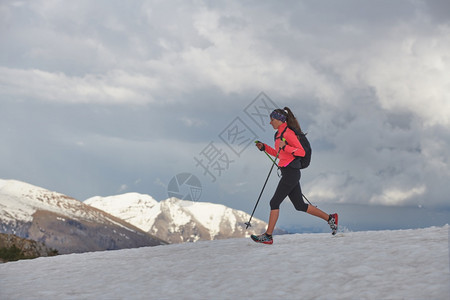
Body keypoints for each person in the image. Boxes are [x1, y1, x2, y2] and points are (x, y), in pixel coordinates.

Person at [251, 107, 338, 244]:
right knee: (299, 205)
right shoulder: (278, 134)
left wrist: (285, 146)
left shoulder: (288, 133)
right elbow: (279, 153)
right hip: (289, 172)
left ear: (279, 120)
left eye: (272, 120)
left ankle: (268, 236)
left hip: (291, 173)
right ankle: (330, 218)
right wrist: (265, 148)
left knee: (274, 202)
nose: (270, 123)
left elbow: (301, 152)